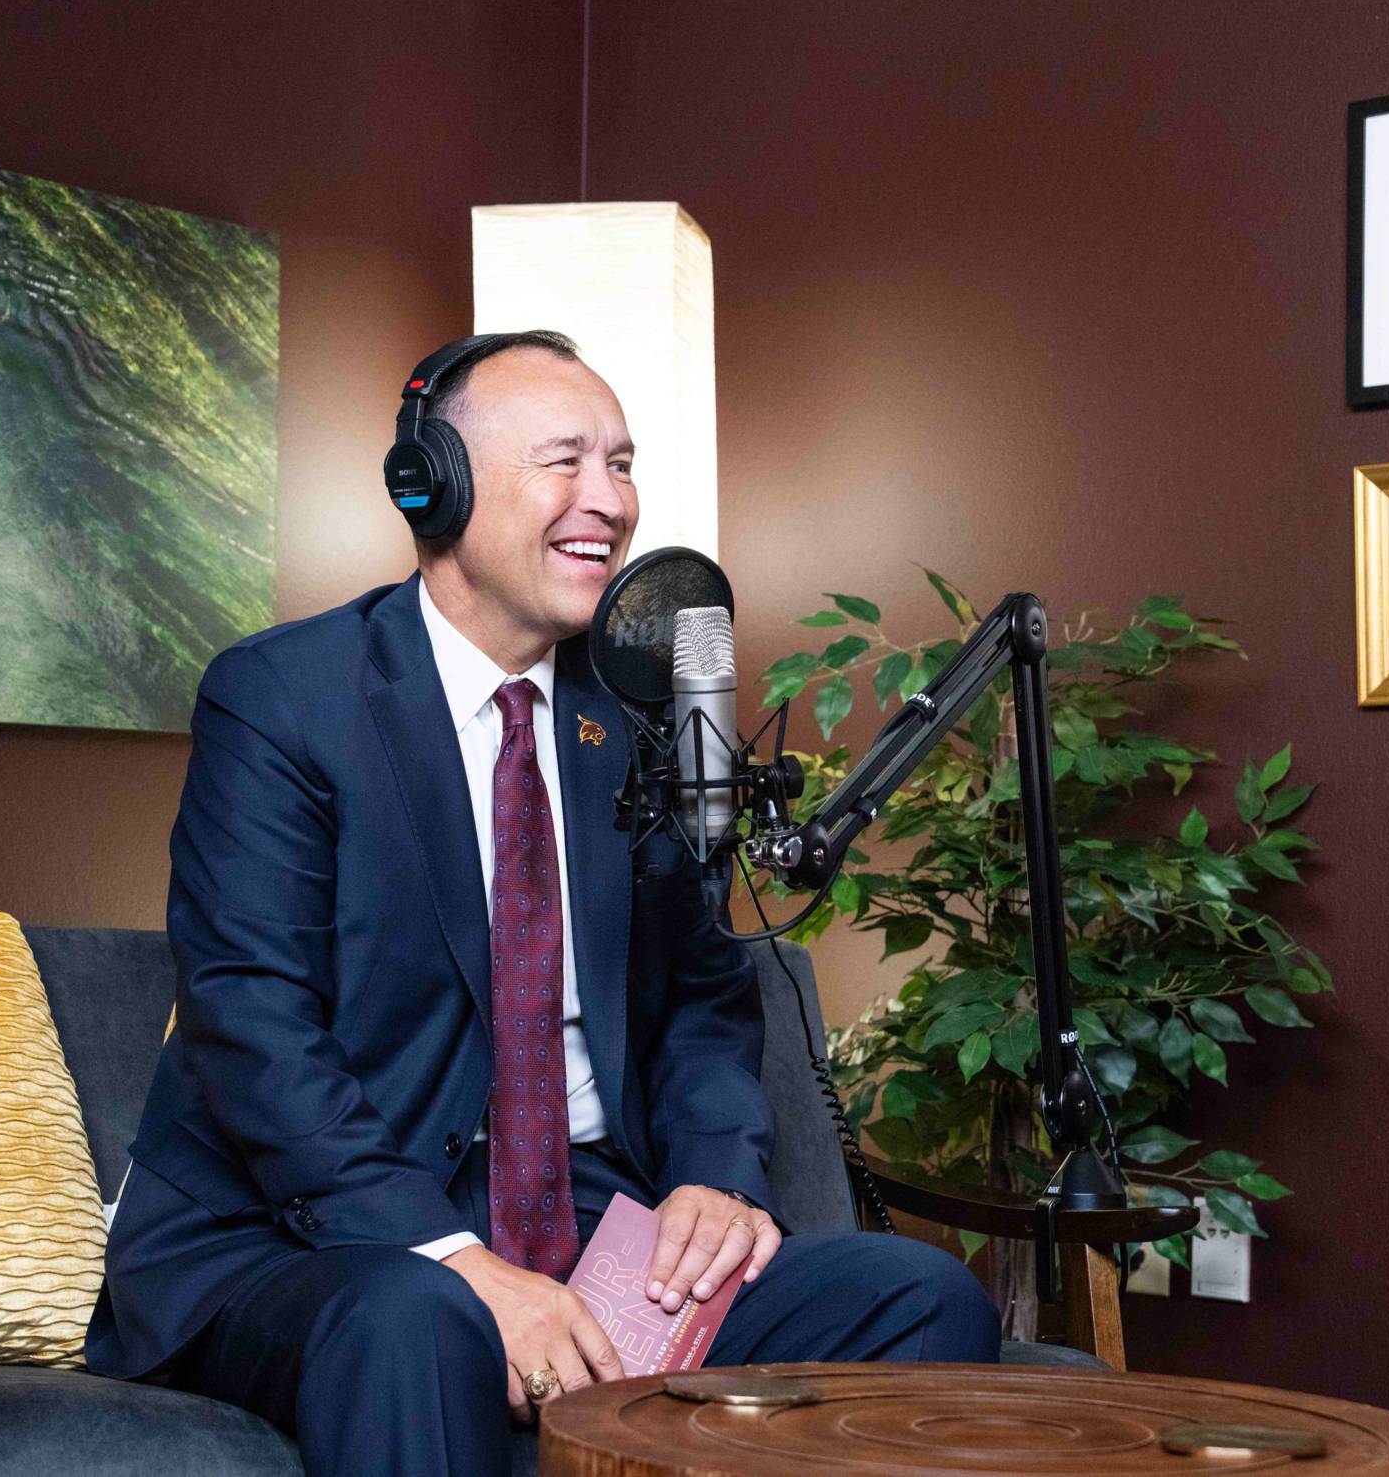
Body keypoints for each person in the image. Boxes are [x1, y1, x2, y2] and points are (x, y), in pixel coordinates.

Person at [85, 330, 998, 1476]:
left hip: (588, 1226)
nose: (606, 502)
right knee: (419, 1318)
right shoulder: (283, 697)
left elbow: (703, 998)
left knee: (917, 1295)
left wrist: (715, 1178)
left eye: (620, 464)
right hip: (304, 1240)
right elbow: (250, 1024)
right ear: (438, 486)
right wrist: (454, 1259)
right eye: (563, 461)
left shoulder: (639, 720)